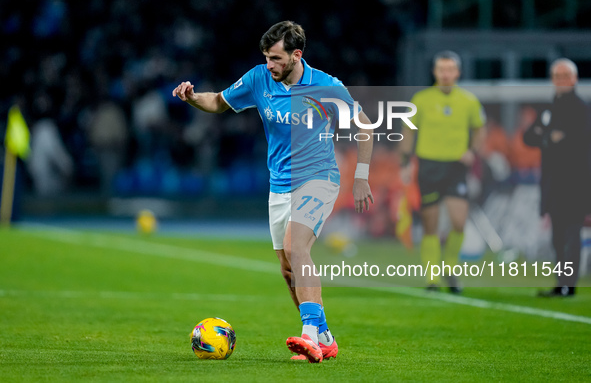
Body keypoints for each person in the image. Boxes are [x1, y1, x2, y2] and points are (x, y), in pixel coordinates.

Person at [172, 21, 374, 363]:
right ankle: (324, 336)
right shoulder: (258, 79)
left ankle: (309, 336)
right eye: (266, 57)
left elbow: (365, 125)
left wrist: (362, 176)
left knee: (298, 247)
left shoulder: (327, 86)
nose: (270, 65)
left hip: (318, 178)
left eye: (276, 58)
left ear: (297, 55)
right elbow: (219, 102)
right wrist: (192, 97)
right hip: (279, 184)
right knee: (287, 268)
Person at [399, 51, 485, 293]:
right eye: (441, 69)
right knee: (431, 225)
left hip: (456, 167)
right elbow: (408, 132)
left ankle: (450, 267)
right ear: (435, 72)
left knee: (459, 223)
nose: (446, 74)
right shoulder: (421, 99)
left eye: (450, 69)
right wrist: (405, 162)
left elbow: (479, 130)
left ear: (457, 72)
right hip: (428, 166)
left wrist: (472, 151)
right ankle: (432, 278)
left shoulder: (469, 101)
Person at [523, 58, 591, 297]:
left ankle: (568, 285)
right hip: (552, 183)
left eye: (565, 76)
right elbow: (529, 137)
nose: (561, 81)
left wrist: (549, 136)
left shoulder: (582, 109)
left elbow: (576, 142)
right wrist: (550, 137)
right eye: (557, 76)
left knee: (571, 234)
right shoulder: (550, 108)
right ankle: (561, 282)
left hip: (575, 183)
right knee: (558, 235)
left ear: (574, 79)